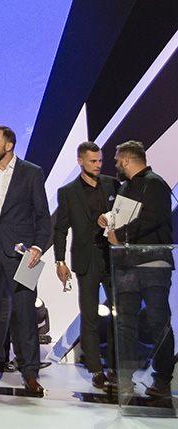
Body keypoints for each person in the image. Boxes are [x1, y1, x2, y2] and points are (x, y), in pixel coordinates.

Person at [0, 126, 51, 394]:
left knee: (27, 313)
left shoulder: (32, 172)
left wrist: (38, 246)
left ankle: (30, 373)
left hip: (24, 254)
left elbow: (42, 214)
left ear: (9, 145)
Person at [102, 140, 173, 398]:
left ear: (127, 160)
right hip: (127, 265)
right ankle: (124, 378)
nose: (115, 165)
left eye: (117, 160)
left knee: (158, 322)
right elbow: (123, 217)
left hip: (153, 264)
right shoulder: (125, 187)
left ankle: (162, 379)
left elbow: (151, 218)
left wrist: (120, 234)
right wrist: (108, 220)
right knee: (124, 324)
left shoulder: (155, 183)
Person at [51, 142, 119, 391]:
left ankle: (115, 368)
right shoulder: (68, 192)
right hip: (86, 257)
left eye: (100, 160)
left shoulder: (113, 185)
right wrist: (60, 261)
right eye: (93, 161)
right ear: (80, 161)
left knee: (119, 314)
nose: (98, 165)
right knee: (89, 315)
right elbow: (60, 229)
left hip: (112, 256)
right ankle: (96, 370)